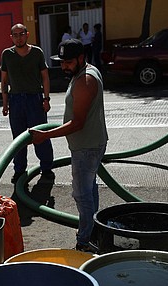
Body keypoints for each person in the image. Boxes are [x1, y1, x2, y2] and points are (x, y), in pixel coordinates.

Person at [29, 39, 108, 253]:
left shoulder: (85, 81)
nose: (64, 66)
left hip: (86, 146)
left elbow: (77, 123)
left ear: (81, 58)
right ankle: (91, 228)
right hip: (90, 143)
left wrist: (45, 135)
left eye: (68, 62)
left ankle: (85, 241)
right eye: (61, 62)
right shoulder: (84, 72)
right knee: (89, 188)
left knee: (82, 193)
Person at [0, 23, 55, 184]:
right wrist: (5, 103)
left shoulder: (37, 52)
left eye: (21, 34)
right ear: (11, 37)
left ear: (27, 34)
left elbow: (45, 76)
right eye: (15, 35)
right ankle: (19, 171)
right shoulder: (7, 54)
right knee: (18, 138)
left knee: (40, 135)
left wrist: (46, 98)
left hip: (35, 99)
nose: (19, 37)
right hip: (15, 100)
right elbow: (4, 80)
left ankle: (46, 168)